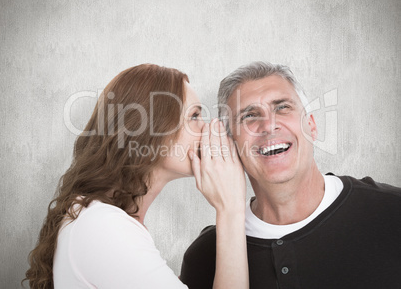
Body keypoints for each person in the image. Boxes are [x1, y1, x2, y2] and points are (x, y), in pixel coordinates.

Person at [24, 63, 249, 289]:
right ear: (151, 131)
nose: (207, 128)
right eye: (195, 116)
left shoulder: (98, 219)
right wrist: (230, 209)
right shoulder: (103, 228)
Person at [180, 61, 401, 289]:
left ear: (312, 126)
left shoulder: (392, 211)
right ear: (230, 145)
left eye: (282, 108)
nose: (269, 125)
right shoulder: (205, 257)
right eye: (249, 116)